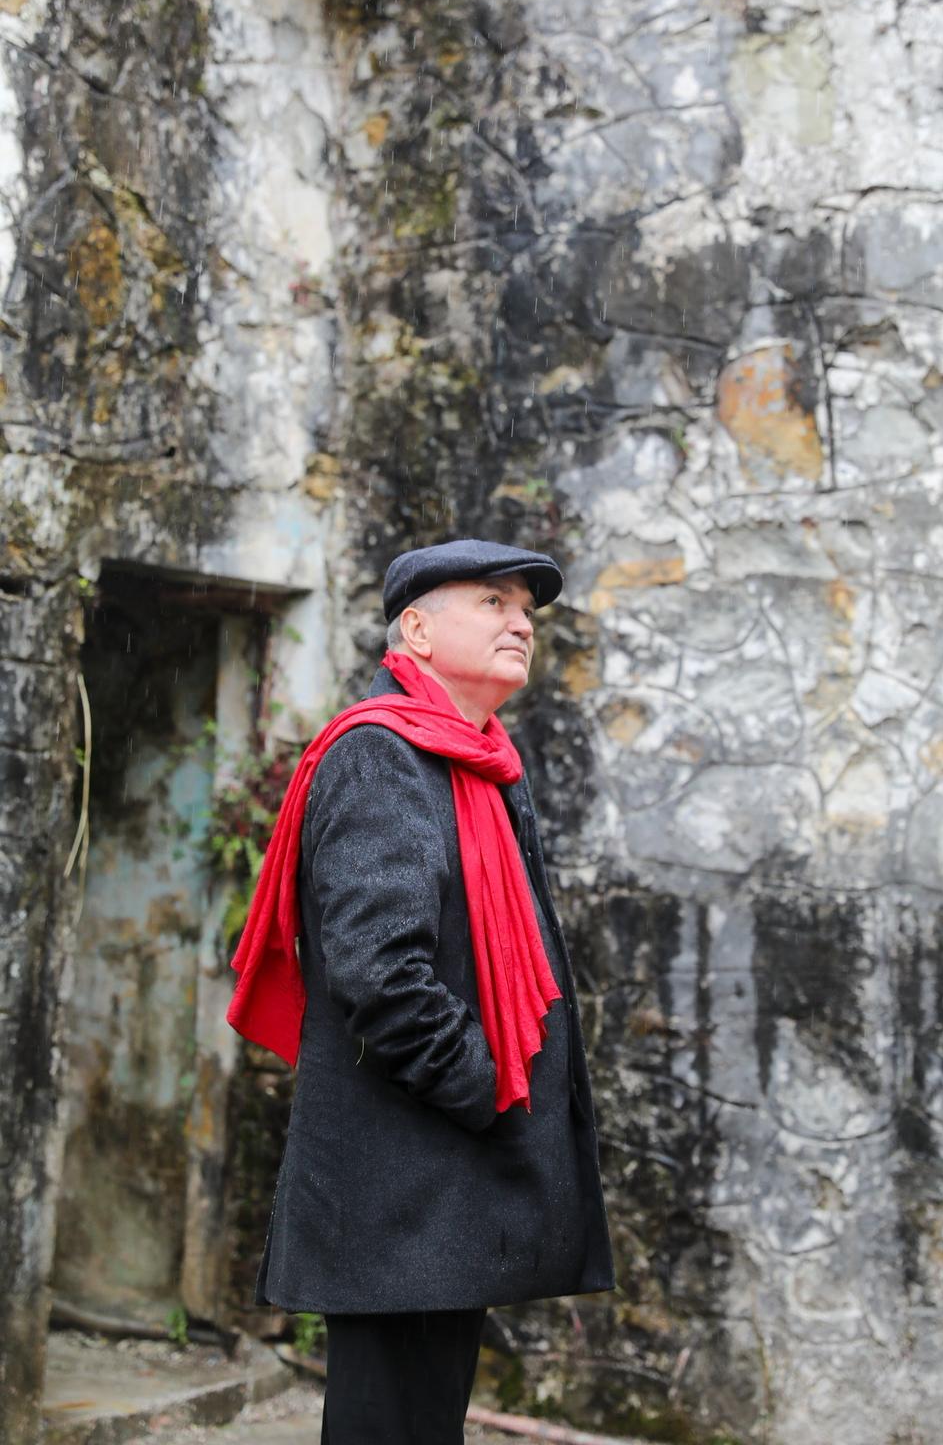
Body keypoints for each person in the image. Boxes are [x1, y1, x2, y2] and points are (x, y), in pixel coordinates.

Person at [227, 539, 614, 1445]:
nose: (521, 623)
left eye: (526, 609)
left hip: (437, 1190)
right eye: (493, 602)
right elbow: (382, 976)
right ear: (417, 630)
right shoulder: (382, 757)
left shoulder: (473, 760)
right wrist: (488, 1090)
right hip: (400, 1191)